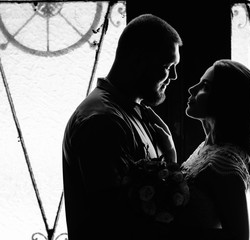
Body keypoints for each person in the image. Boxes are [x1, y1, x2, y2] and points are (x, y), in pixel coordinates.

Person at [62, 14, 182, 240]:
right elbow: (115, 222)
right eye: (167, 66)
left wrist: (169, 155)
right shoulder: (102, 121)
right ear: (138, 60)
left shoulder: (134, 111)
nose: (173, 77)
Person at [172, 59, 250, 240]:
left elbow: (238, 236)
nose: (192, 89)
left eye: (205, 86)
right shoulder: (206, 147)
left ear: (226, 99)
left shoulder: (224, 161)